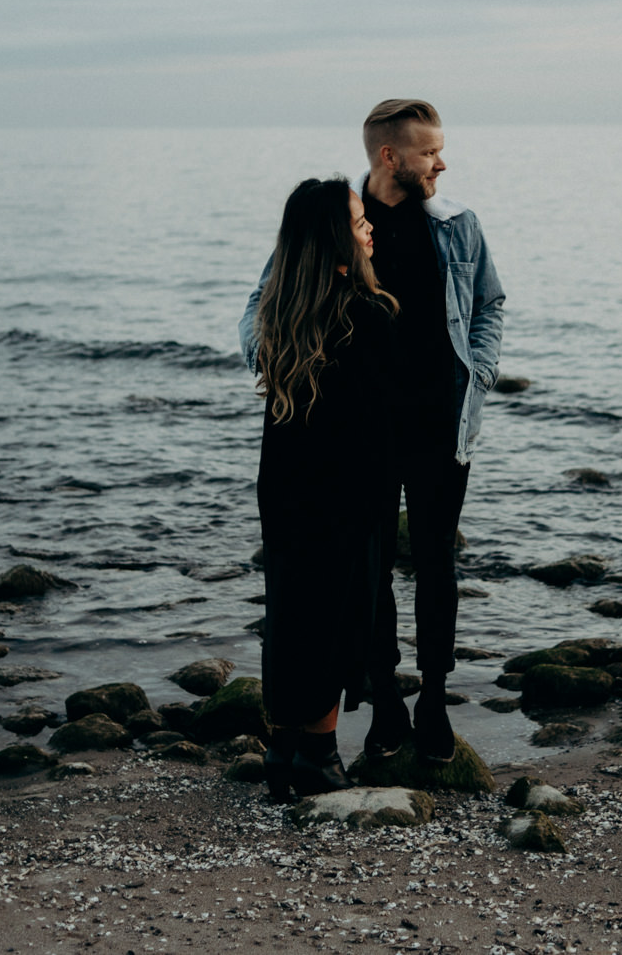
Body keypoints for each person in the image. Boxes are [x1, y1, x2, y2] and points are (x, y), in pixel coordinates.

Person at [242, 99, 505, 764]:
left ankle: (436, 701)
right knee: (369, 575)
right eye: (429, 151)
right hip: (358, 440)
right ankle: (385, 703)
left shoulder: (458, 227)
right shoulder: (336, 220)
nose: (442, 162)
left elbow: (489, 305)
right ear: (390, 156)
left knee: (438, 565)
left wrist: (481, 372)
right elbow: (263, 306)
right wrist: (285, 372)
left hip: (440, 429)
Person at [250, 176, 402, 801]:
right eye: (359, 220)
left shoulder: (281, 317)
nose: (370, 228)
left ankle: (283, 751)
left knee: (291, 613)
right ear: (335, 240)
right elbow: (384, 421)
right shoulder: (367, 315)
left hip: (286, 490)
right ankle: (318, 755)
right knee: (340, 618)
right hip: (349, 494)